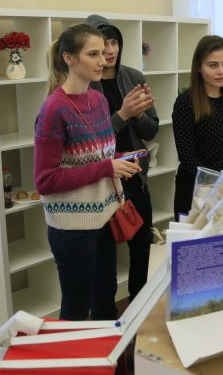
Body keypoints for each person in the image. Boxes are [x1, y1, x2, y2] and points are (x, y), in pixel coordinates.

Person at [34, 23, 141, 321]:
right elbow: (45, 181)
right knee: (76, 308)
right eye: (93, 54)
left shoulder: (98, 100)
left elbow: (94, 156)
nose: (103, 60)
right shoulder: (54, 110)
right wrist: (107, 167)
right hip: (72, 229)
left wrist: (120, 159)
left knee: (106, 297)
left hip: (105, 217)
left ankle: (107, 351)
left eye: (103, 53)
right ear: (68, 58)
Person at [85, 15, 159, 302]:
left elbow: (151, 130)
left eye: (114, 42)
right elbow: (90, 143)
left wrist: (138, 116)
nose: (110, 50)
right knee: (104, 264)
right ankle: (106, 315)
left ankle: (138, 307)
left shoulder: (133, 77)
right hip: (103, 184)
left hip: (136, 179)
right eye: (102, 44)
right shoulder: (84, 85)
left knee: (142, 249)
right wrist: (123, 114)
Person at [172, 35, 223, 220]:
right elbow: (187, 158)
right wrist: (215, 188)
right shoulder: (185, 103)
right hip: (195, 189)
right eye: (213, 65)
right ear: (199, 67)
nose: (221, 71)